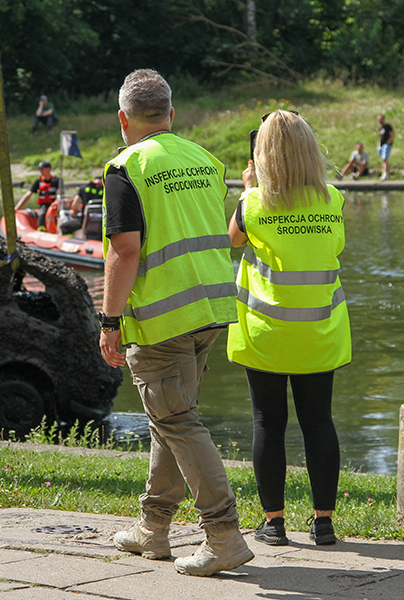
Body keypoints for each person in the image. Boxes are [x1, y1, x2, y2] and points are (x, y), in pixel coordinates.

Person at [99, 69, 253, 577]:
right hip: (210, 310)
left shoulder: (127, 168)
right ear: (172, 113)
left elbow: (125, 251)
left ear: (124, 119)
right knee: (169, 417)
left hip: (163, 317)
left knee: (177, 421)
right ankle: (154, 528)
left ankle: (224, 535)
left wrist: (109, 320)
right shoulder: (205, 160)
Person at [227, 110, 351, 548]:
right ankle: (324, 524)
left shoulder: (254, 203)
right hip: (319, 330)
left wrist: (250, 189)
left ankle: (274, 524)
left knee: (268, 422)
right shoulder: (332, 199)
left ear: (262, 153)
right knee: (319, 421)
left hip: (266, 332)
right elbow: (332, 246)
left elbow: (233, 241)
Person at [15, 160, 62, 230]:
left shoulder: (57, 180)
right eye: (40, 169)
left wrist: (55, 205)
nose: (40, 171)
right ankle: (41, 230)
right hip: (44, 205)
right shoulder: (38, 181)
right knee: (42, 213)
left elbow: (60, 194)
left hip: (55, 205)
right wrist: (17, 208)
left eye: (42, 169)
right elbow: (28, 195)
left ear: (48, 169)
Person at [377, 114, 394, 181]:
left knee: (385, 159)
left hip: (386, 145)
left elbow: (392, 135)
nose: (379, 121)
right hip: (381, 146)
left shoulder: (388, 127)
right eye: (378, 119)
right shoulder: (381, 128)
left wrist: (388, 143)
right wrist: (379, 144)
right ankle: (387, 174)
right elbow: (380, 137)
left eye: (381, 119)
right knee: (384, 160)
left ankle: (385, 174)